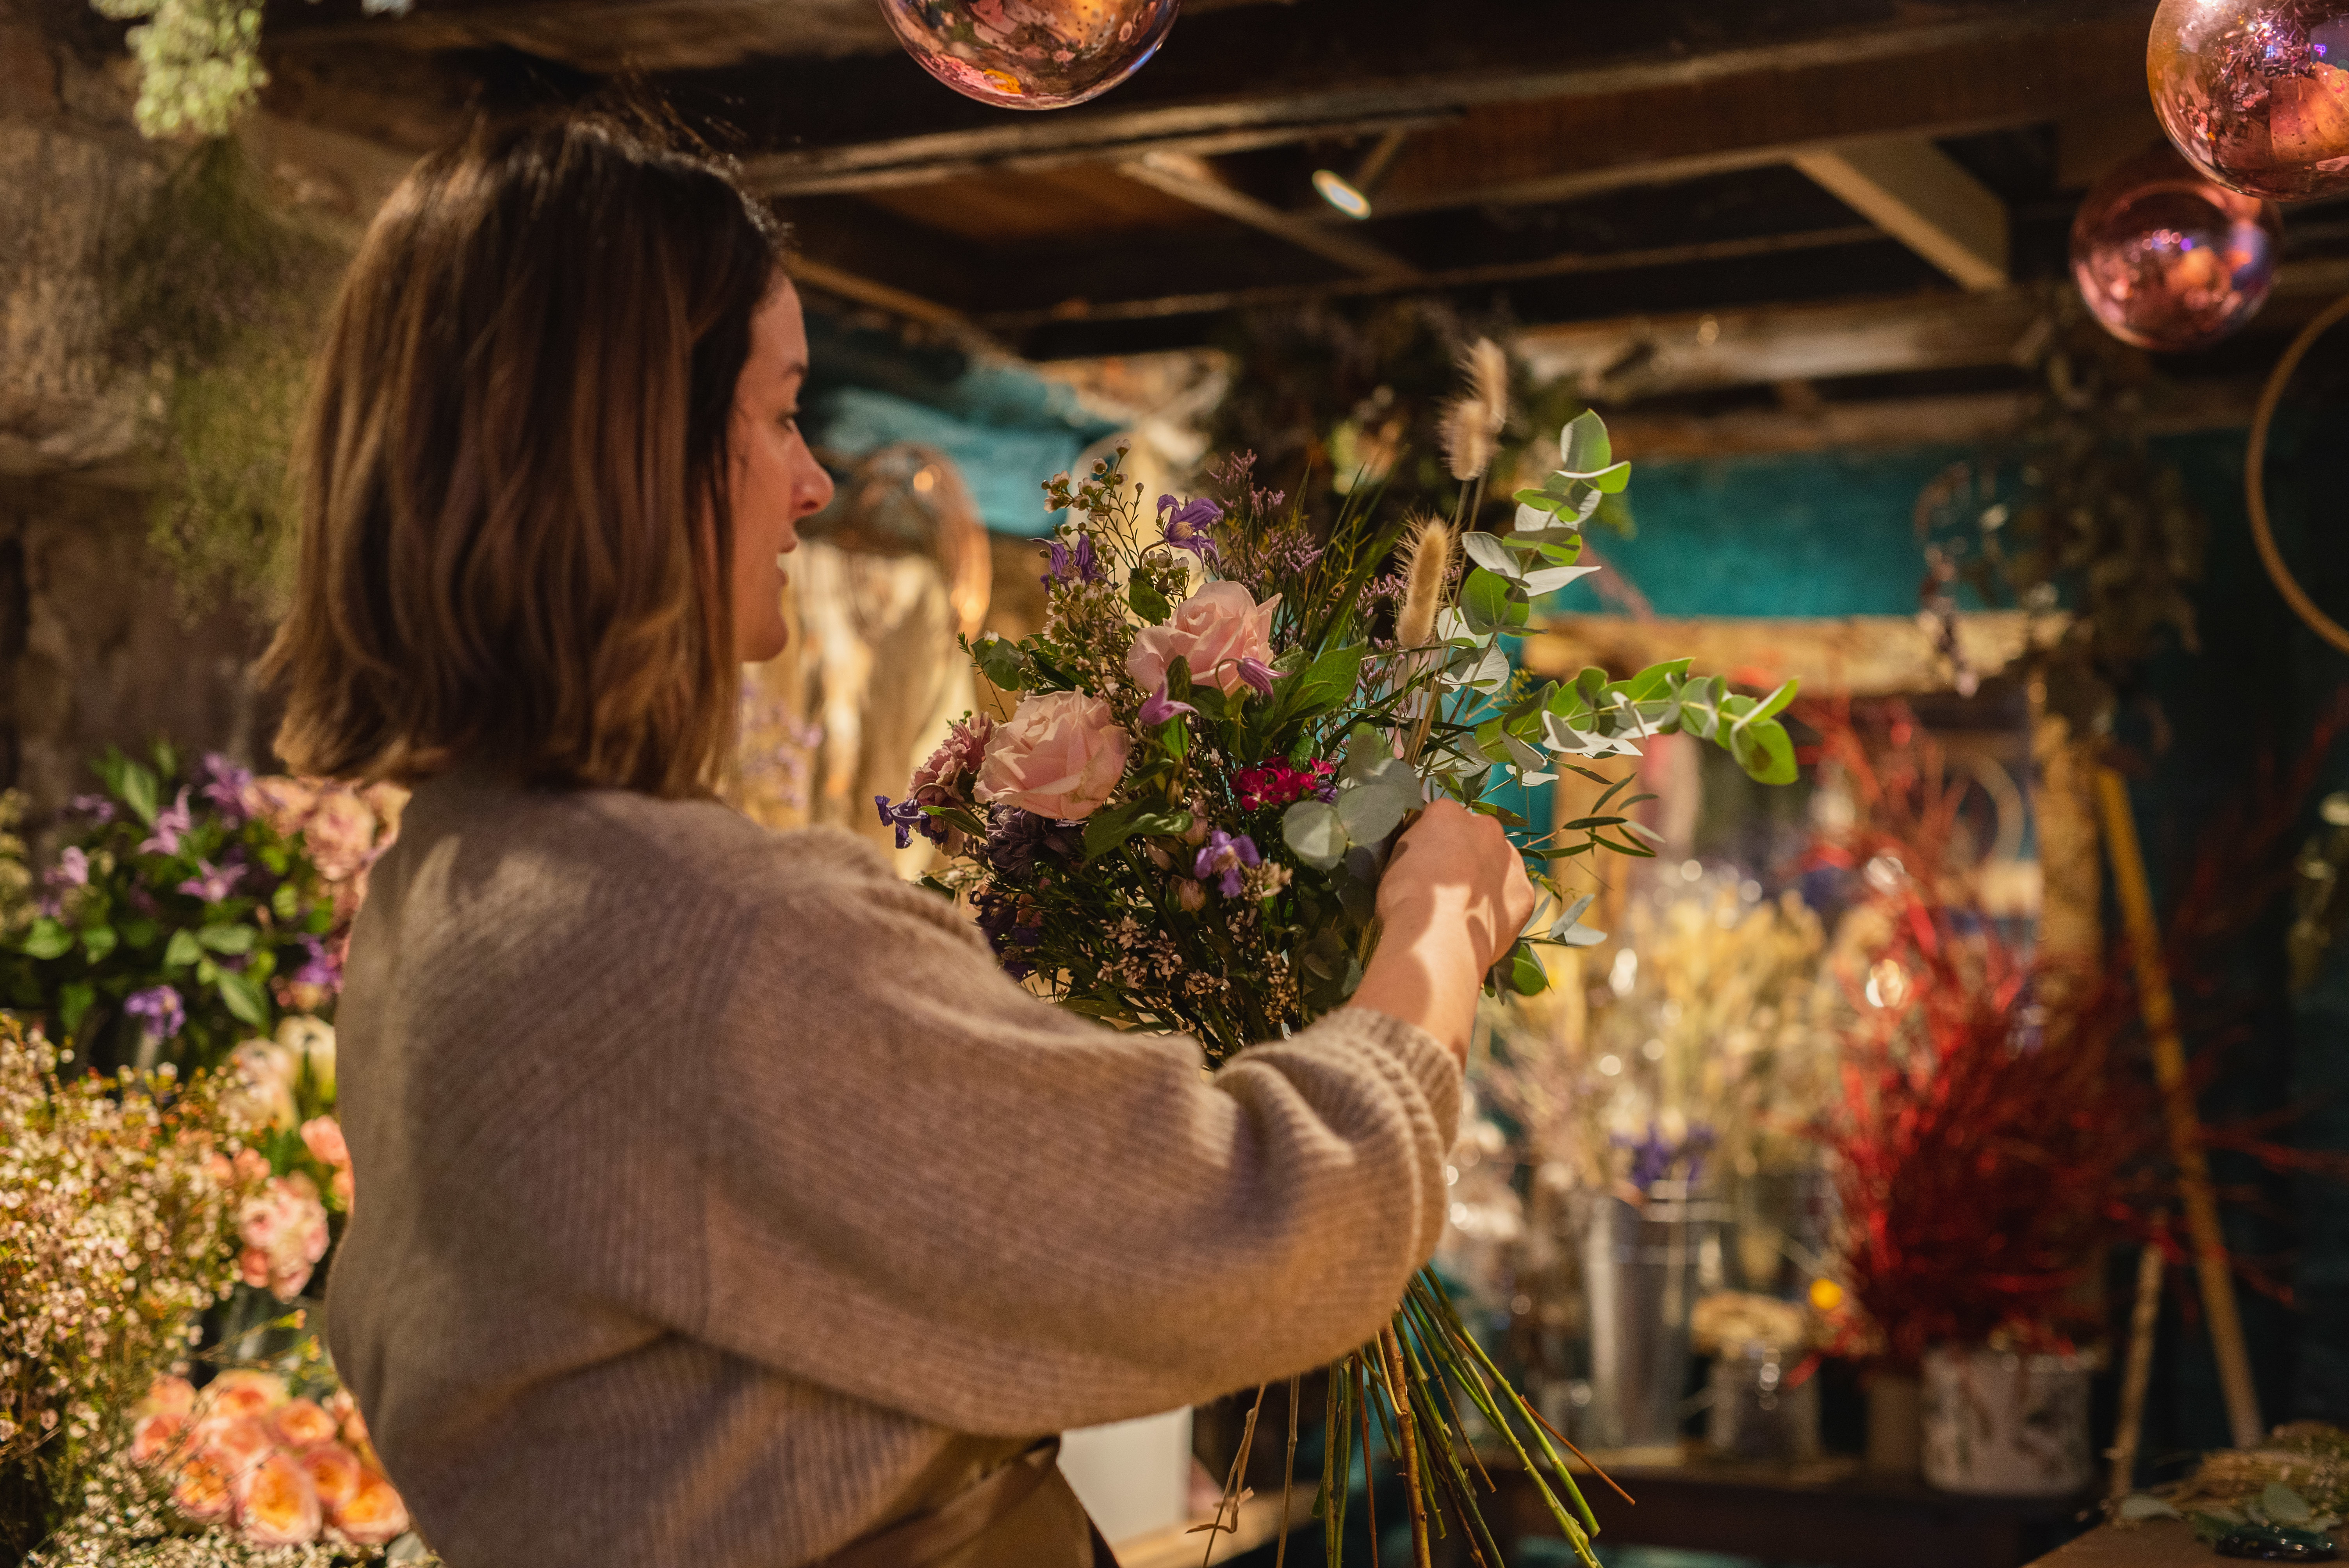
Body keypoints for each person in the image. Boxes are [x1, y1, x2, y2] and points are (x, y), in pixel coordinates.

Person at [266, 116, 1534, 1568]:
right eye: (778, 416)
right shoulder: (713, 944)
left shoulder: (441, 883)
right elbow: (1276, 1223)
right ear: (628, 451)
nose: (813, 483)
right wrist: (1439, 928)